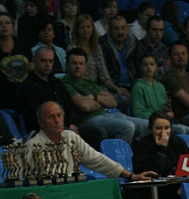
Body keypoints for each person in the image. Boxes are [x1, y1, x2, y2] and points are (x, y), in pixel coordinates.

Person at [25, 100, 155, 182]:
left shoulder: (70, 137)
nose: (57, 120)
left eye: (59, 115)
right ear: (40, 123)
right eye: (51, 117)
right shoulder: (32, 145)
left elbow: (97, 160)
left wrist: (131, 176)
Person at [62, 48, 146, 147]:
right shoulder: (65, 83)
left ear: (85, 66)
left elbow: (113, 103)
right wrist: (101, 101)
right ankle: (118, 156)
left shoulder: (89, 82)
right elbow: (85, 106)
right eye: (74, 63)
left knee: (148, 125)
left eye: (81, 63)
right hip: (89, 120)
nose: (78, 66)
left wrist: (94, 98)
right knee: (128, 127)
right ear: (67, 65)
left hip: (108, 114)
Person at [70, 12, 129, 109]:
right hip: (81, 88)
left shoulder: (96, 48)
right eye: (82, 27)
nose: (86, 30)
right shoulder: (72, 48)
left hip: (98, 88)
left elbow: (104, 76)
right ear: (77, 30)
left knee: (123, 98)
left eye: (88, 27)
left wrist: (117, 89)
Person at [131, 52, 189, 137]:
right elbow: (138, 113)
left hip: (163, 121)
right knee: (180, 130)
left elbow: (164, 106)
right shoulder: (138, 87)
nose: (149, 67)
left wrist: (167, 112)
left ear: (156, 67)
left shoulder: (160, 86)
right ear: (141, 67)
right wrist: (160, 116)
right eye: (145, 65)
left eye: (151, 64)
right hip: (148, 122)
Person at [20, 45, 77, 134]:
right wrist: (66, 126)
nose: (47, 65)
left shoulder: (56, 82)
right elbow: (36, 115)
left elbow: (70, 105)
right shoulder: (28, 86)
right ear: (35, 62)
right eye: (43, 61)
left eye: (50, 61)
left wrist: (72, 123)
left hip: (67, 126)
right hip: (44, 130)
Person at [98, 13, 138, 97]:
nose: (120, 32)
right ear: (109, 30)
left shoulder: (134, 42)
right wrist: (116, 88)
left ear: (127, 29)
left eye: (123, 28)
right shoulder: (102, 44)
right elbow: (102, 73)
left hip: (133, 85)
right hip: (110, 86)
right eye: (116, 29)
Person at [0, 11, 32, 112]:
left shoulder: (22, 44)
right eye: (0, 24)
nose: (4, 26)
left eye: (7, 23)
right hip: (3, 96)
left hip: (25, 92)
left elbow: (31, 67)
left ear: (13, 26)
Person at [134, 14, 169, 83]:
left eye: (161, 30)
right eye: (154, 30)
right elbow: (137, 72)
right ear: (147, 29)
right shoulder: (137, 48)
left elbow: (167, 70)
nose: (158, 34)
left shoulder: (163, 49)